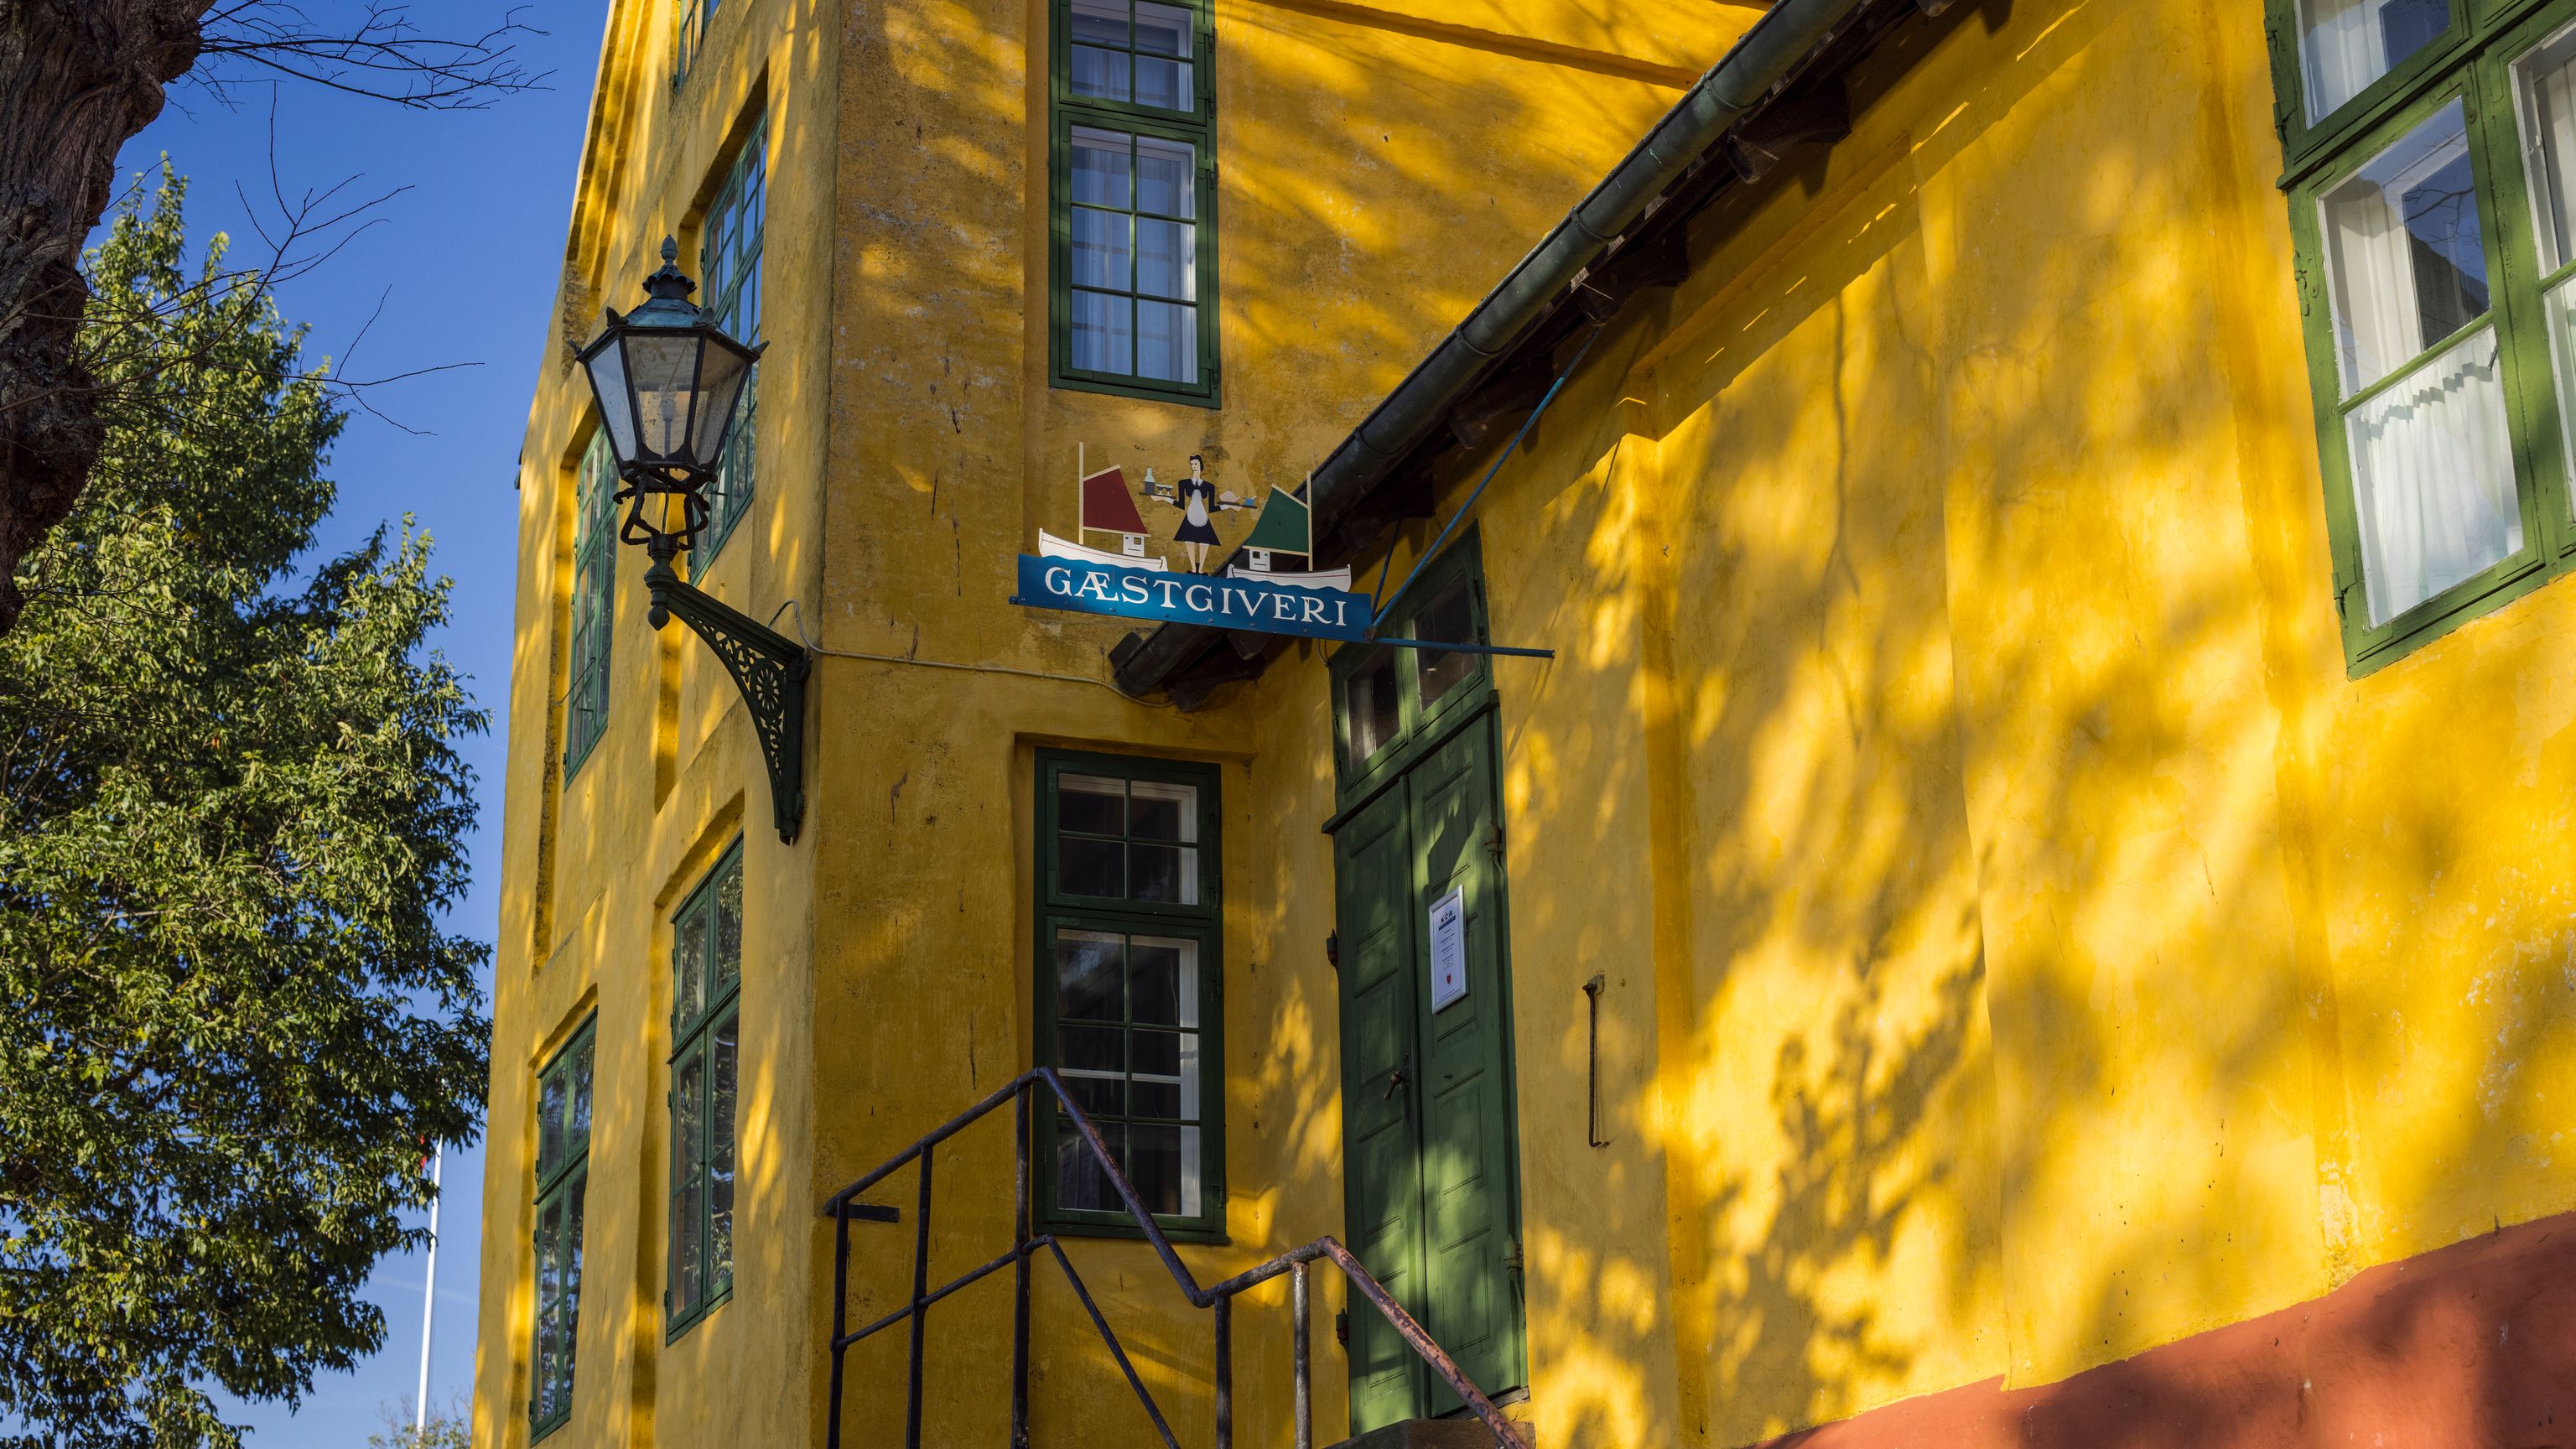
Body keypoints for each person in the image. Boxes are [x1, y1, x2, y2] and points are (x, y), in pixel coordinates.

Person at [1171, 454, 1223, 573]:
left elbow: (1213, 508)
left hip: (1202, 515)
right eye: (1192, 464)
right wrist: (1163, 499)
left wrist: (1229, 506)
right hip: (1190, 514)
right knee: (1189, 540)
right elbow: (1180, 504)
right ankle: (1194, 569)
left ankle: (1201, 571)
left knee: (1205, 542)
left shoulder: (1209, 486)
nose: (1194, 466)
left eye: (1196, 464)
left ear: (1201, 465)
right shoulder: (1184, 483)